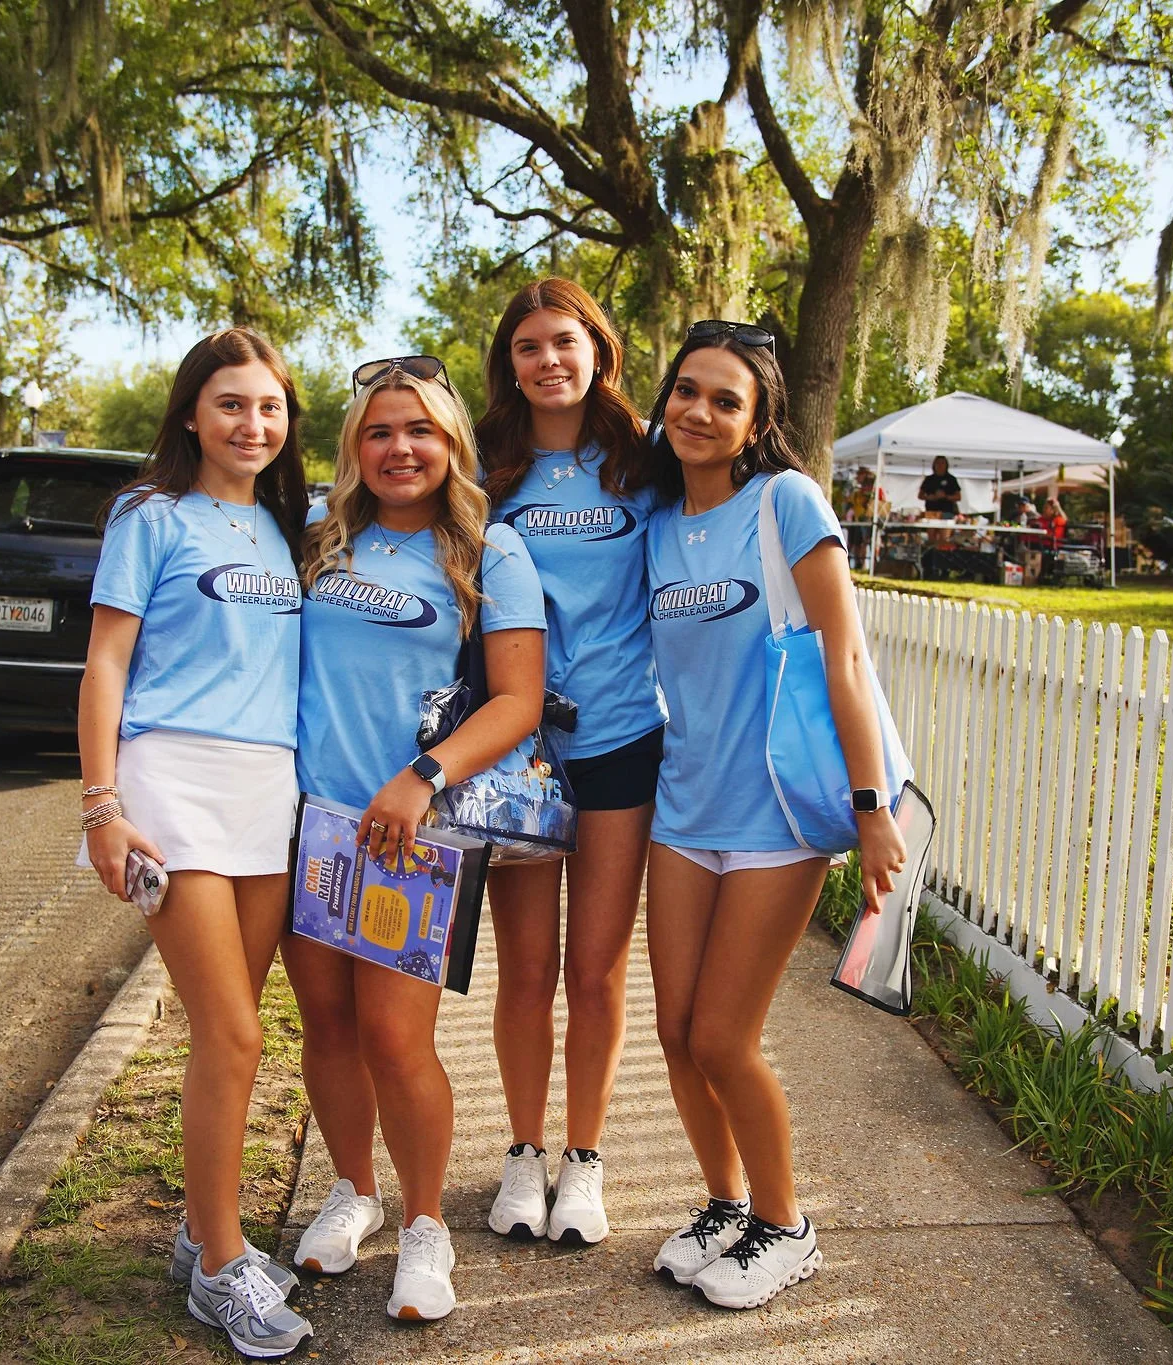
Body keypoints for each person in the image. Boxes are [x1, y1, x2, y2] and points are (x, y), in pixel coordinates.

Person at [640, 320, 908, 1310]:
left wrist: (872, 805)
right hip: (682, 807)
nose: (698, 413)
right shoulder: (657, 521)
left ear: (756, 424)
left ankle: (784, 1225)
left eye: (723, 400)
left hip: (776, 815)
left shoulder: (784, 502)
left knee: (721, 1036)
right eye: (686, 392)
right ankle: (722, 1203)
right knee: (671, 1031)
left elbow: (842, 656)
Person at [285, 355, 548, 1321]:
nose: (402, 448)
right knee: (329, 1028)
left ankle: (426, 1224)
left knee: (398, 1039)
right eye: (381, 431)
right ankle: (354, 1191)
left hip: (413, 834)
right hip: (312, 826)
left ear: (452, 445)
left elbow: (519, 700)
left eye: (421, 431)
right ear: (356, 447)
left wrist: (422, 776)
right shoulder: (318, 543)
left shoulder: (489, 551)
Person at [77, 329, 315, 1359]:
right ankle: (222, 1271)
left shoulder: (286, 524)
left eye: (267, 407)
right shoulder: (149, 515)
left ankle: (196, 1231)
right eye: (230, 405)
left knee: (234, 1028)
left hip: (270, 788)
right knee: (232, 1033)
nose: (250, 424)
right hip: (171, 782)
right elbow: (103, 664)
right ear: (190, 414)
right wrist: (101, 807)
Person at [477, 279, 662, 1246]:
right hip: (517, 759)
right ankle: (519, 1152)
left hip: (623, 742)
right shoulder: (486, 468)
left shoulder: (646, 460)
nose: (549, 360)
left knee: (594, 970)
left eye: (565, 341)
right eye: (528, 346)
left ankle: (582, 1158)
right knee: (526, 971)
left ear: (599, 348)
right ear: (510, 364)